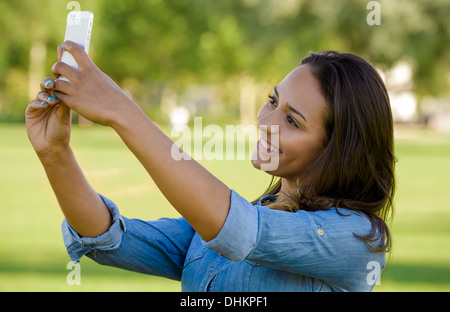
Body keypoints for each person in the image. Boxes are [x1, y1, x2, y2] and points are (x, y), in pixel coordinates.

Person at [25, 41, 395, 292]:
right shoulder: (231, 221)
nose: (266, 121)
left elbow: (239, 230)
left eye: (293, 121)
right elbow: (109, 239)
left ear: (337, 149)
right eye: (272, 100)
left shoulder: (356, 240)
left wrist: (120, 110)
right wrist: (55, 153)